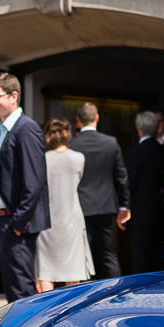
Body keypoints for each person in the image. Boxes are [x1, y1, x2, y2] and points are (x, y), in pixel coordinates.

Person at [0, 73, 49, 301]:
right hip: (3, 222)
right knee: (13, 293)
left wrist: (17, 225)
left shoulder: (25, 129)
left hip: (16, 224)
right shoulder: (5, 130)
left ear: (14, 96)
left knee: (22, 294)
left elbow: (34, 182)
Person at [68, 102, 129, 279]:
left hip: (81, 207)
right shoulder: (111, 143)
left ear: (78, 120)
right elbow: (121, 176)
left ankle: (86, 297)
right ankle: (114, 294)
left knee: (82, 255)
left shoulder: (72, 144)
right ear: (97, 118)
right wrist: (124, 206)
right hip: (106, 206)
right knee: (108, 254)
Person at [35, 119, 93, 291]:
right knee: (73, 272)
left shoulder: (42, 159)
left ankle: (46, 313)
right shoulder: (78, 158)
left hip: (48, 220)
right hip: (72, 220)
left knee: (46, 271)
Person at [125, 110, 164, 273]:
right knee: (159, 257)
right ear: (157, 127)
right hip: (162, 211)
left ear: (138, 129)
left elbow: (128, 183)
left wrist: (125, 208)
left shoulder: (134, 152)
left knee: (141, 258)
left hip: (140, 213)